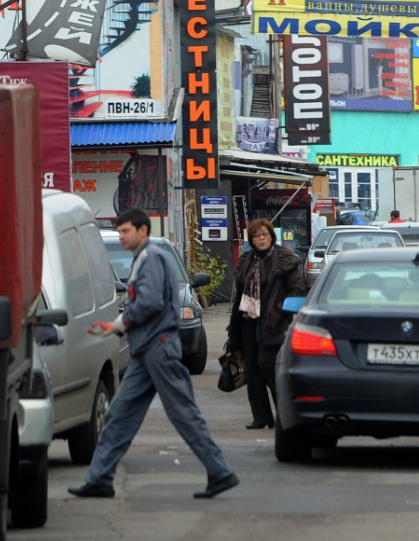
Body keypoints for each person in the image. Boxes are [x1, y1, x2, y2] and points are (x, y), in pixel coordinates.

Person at [69, 208, 238, 500]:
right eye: (119, 231)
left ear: (143, 231)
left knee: (183, 414)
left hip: (158, 349)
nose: (121, 236)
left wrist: (117, 324)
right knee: (119, 415)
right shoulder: (144, 258)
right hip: (146, 351)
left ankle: (220, 472)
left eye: (125, 231)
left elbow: (149, 302)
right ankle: (99, 479)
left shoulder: (151, 258)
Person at [228, 217, 306, 430]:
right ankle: (261, 417)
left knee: (267, 364)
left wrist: (279, 310)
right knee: (251, 369)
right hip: (248, 320)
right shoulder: (246, 260)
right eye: (256, 235)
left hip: (275, 323)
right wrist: (232, 328)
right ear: (251, 240)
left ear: (271, 236)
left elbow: (297, 290)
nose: (260, 238)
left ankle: (285, 412)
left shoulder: (286, 260)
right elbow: (239, 294)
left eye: (264, 234)